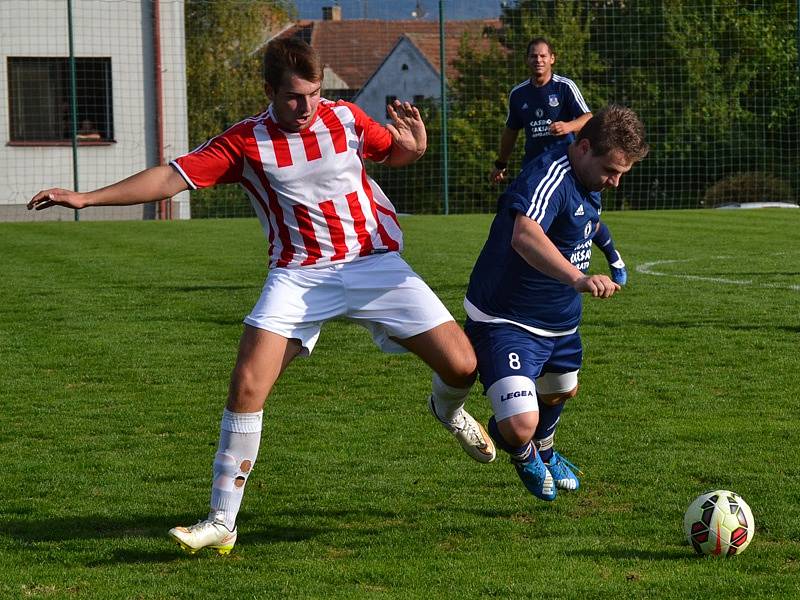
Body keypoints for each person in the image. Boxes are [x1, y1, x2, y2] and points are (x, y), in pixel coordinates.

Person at [28, 37, 495, 554]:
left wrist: (417, 146)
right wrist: (87, 197)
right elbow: (171, 177)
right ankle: (221, 522)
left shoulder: (345, 118)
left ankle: (446, 410)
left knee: (461, 367)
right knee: (248, 383)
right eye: (295, 97)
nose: (307, 107)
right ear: (269, 90)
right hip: (298, 277)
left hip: (373, 264)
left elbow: (395, 153)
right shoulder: (245, 141)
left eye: (315, 94)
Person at [466, 105, 648, 500]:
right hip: (507, 318)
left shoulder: (591, 180)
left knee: (563, 390)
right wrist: (579, 278)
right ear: (583, 148)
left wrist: (613, 256)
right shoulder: (549, 175)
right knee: (520, 424)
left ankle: (545, 451)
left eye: (622, 173)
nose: (615, 183)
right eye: (611, 171)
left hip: (560, 319)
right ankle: (524, 449)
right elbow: (524, 236)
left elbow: (589, 223)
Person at [489, 37, 629, 286]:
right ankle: (528, 273)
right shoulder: (519, 94)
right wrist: (501, 163)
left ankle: (613, 256)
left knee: (586, 220)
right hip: (535, 171)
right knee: (524, 222)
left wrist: (568, 126)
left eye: (543, 56)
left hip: (571, 171)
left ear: (552, 59)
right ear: (527, 60)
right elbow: (510, 131)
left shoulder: (564, 87)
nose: (538, 60)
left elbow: (589, 117)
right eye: (533, 56)